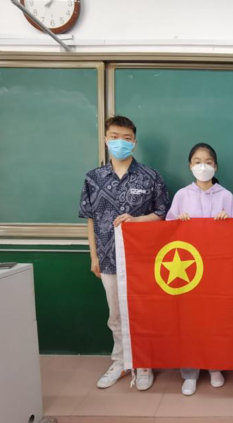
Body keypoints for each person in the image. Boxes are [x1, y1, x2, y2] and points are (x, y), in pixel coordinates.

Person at [79, 115, 170, 391]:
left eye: (127, 138)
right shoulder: (93, 178)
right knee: (116, 315)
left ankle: (144, 363)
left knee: (143, 313)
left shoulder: (150, 176)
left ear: (135, 142)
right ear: (106, 139)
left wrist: (137, 220)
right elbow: (90, 220)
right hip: (108, 259)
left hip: (143, 260)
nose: (121, 142)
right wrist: (94, 256)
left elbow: (162, 214)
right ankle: (120, 361)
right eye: (115, 137)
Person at [166, 142, 233, 396]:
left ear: (215, 166)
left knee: (216, 319)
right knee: (190, 321)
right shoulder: (181, 195)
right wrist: (180, 223)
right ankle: (190, 372)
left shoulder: (226, 196)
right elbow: (168, 231)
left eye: (208, 162)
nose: (203, 166)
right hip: (189, 272)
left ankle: (215, 366)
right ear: (190, 166)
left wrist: (227, 223)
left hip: (218, 270)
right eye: (197, 162)